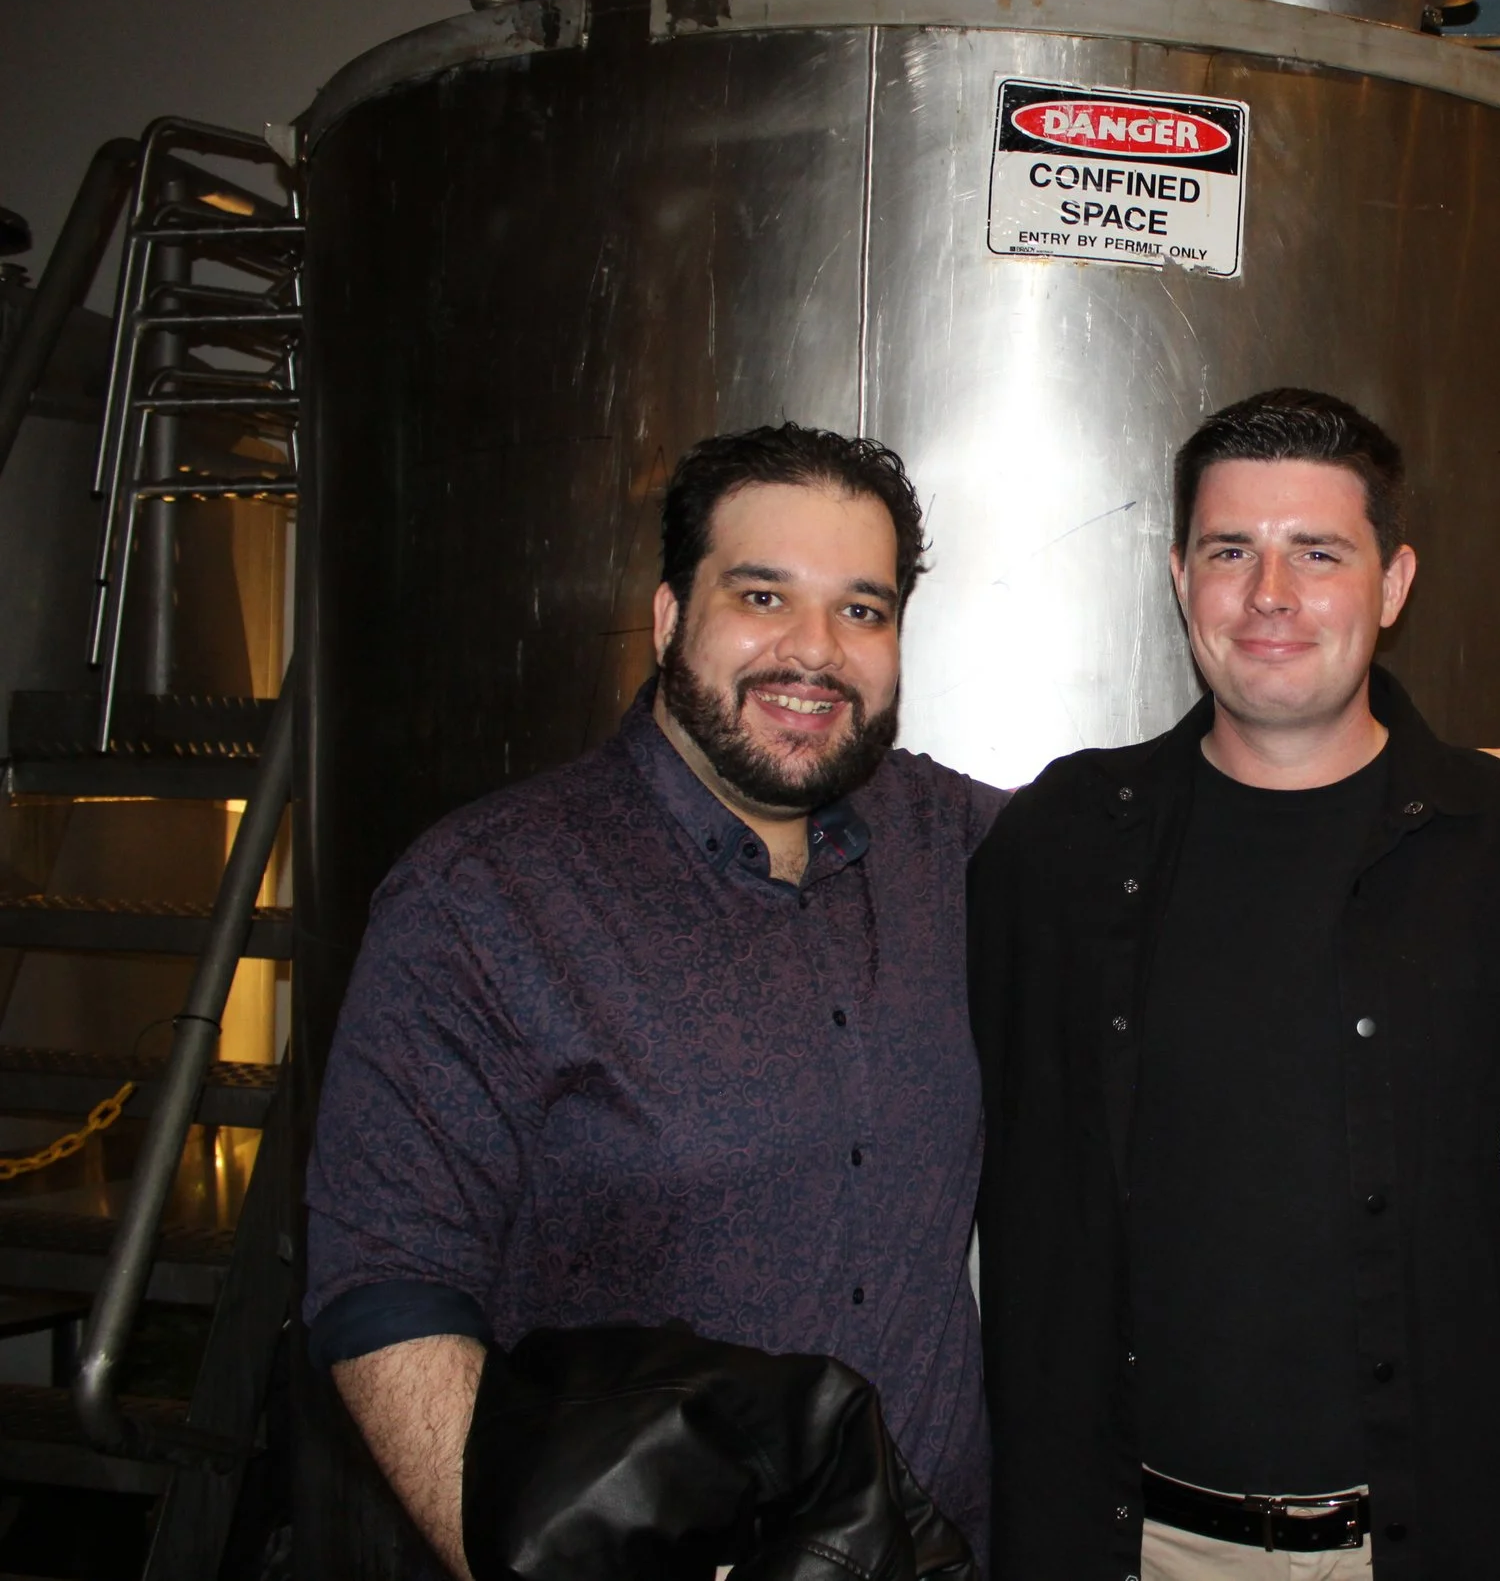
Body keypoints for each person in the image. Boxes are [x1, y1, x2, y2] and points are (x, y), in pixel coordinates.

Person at [304, 424, 1004, 1577]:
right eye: (763, 594)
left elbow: (1171, 845)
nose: (815, 651)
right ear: (670, 615)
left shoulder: (951, 843)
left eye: (862, 610)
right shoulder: (485, 896)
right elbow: (384, 1290)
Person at [970, 390, 1500, 1581]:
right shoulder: (1060, 844)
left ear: (1393, 584)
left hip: (1442, 1539)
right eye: (1230, 550)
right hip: (1139, 1543)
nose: (1271, 595)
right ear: (1180, 576)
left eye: (1318, 552)